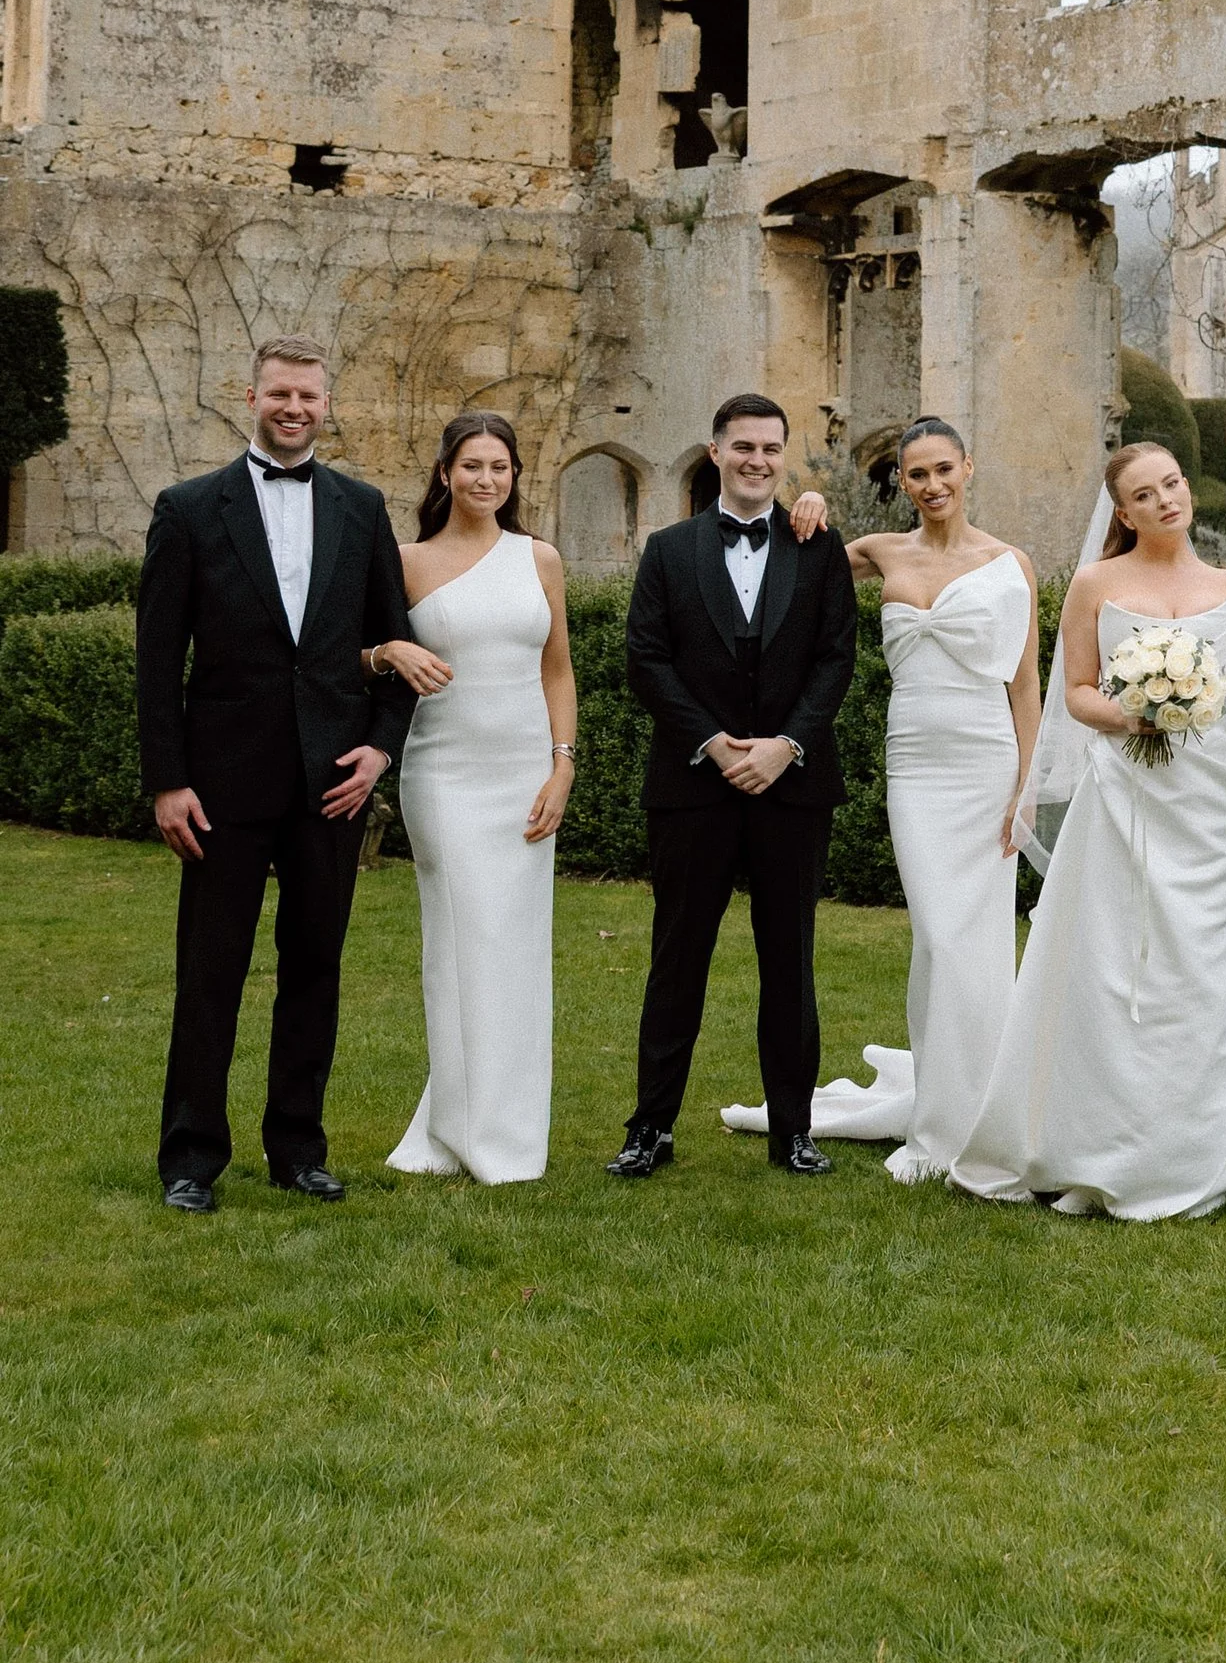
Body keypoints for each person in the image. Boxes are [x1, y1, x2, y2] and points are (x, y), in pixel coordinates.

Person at [954, 437, 1226, 1218]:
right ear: (1124, 512)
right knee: (1115, 961)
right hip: (1127, 799)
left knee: (1214, 961)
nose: (1165, 500)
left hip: (1217, 801)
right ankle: (1105, 1127)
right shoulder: (1094, 584)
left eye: (1171, 484)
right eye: (1144, 494)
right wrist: (1134, 712)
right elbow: (1077, 690)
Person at [137, 336, 416, 1211]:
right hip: (219, 786)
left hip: (332, 781)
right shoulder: (188, 508)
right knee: (209, 972)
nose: (294, 409)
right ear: (251, 397)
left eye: (309, 396)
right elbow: (157, 660)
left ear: (327, 404)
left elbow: (396, 642)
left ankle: (298, 1148)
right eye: (280, 394)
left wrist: (381, 748)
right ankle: (190, 1159)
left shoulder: (362, 508)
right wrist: (167, 780)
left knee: (315, 968)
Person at [610, 390, 858, 1179]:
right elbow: (646, 660)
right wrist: (716, 745)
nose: (757, 460)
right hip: (693, 787)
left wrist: (788, 745)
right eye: (743, 446)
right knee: (677, 959)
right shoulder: (668, 549)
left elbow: (836, 658)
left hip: (793, 787)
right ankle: (650, 1128)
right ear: (715, 451)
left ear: (784, 457)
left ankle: (794, 1130)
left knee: (790, 961)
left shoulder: (817, 545)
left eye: (771, 448)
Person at [817, 417, 1039, 1182]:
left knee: (977, 942)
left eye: (945, 469)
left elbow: (1026, 684)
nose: (933, 485)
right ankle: (941, 1116)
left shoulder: (1010, 563)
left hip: (988, 762)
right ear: (902, 482)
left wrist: (1027, 789)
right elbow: (793, 562)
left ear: (968, 468)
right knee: (939, 937)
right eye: (917, 474)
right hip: (915, 764)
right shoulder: (882, 553)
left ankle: (981, 1111)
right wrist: (809, 504)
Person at [366, 412, 576, 1186]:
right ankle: (458, 1128)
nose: (486, 479)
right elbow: (342, 652)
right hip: (445, 777)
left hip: (525, 777)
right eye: (472, 466)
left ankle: (504, 1131)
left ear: (514, 476)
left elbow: (558, 669)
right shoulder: (406, 562)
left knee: (515, 953)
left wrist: (562, 767)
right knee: (460, 949)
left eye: (500, 467)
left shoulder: (540, 558)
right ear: (444, 473)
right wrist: (389, 650)